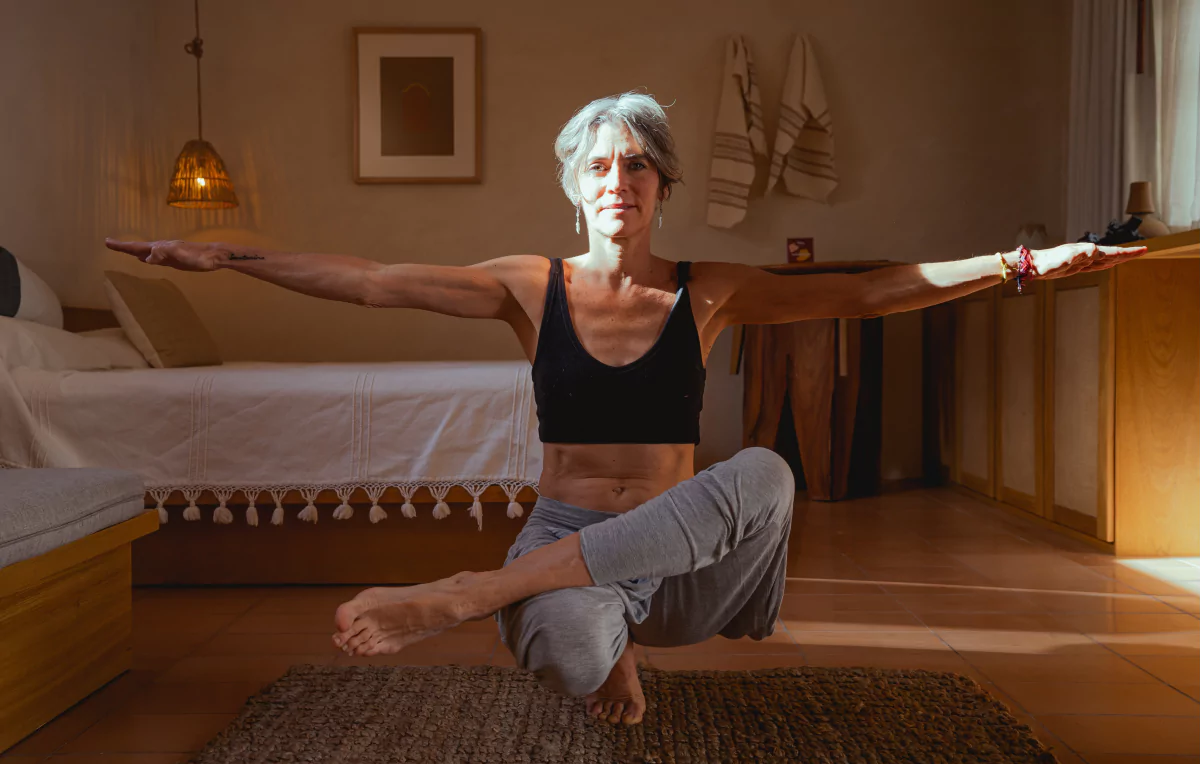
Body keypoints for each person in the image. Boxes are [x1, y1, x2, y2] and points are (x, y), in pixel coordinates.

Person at [107, 91, 1145, 727]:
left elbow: (872, 288)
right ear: (575, 185)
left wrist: (1023, 262)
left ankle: (465, 591)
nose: (619, 180)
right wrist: (228, 255)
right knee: (565, 654)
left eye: (637, 164)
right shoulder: (528, 284)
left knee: (766, 471)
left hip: (687, 559)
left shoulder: (714, 288)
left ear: (663, 186)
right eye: (599, 165)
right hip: (564, 533)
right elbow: (375, 278)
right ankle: (602, 642)